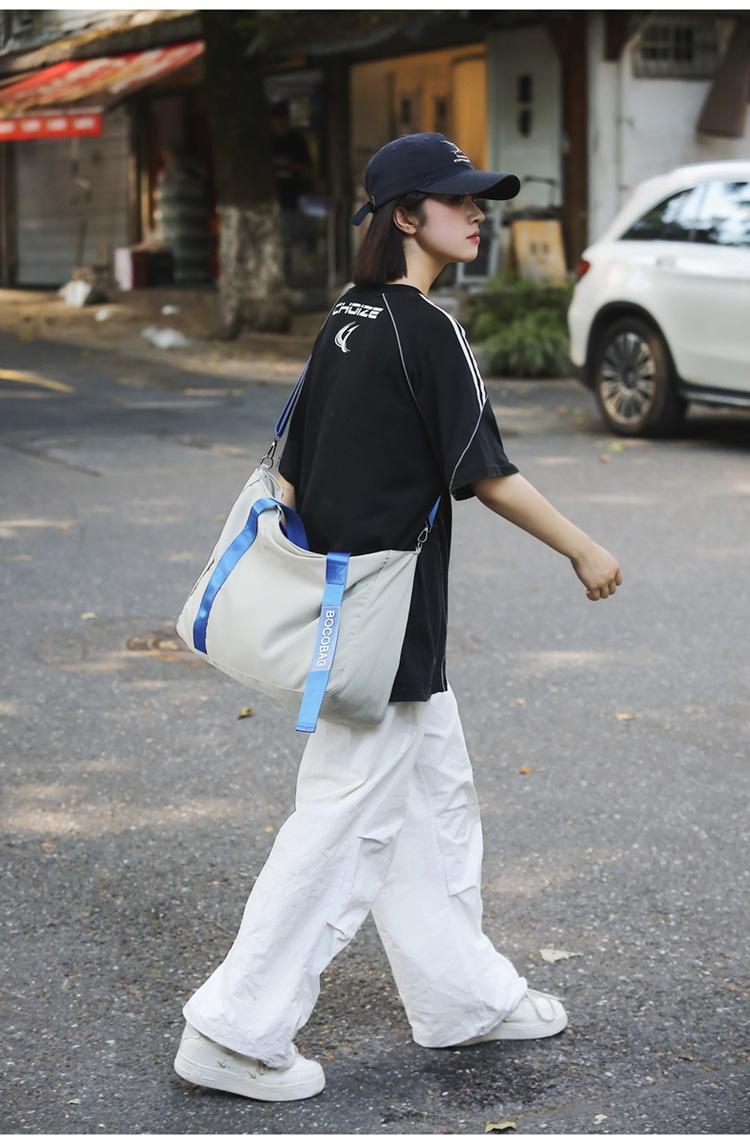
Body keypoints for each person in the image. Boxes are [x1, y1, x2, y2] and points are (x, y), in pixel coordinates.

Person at [173, 132, 623, 1103]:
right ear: (406, 217)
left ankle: (466, 999)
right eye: (458, 199)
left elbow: (294, 472)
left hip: (358, 613)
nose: (478, 213)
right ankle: (236, 1029)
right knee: (346, 826)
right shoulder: (425, 328)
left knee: (432, 808)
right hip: (382, 624)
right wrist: (584, 547)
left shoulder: (346, 317)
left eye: (479, 199)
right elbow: (486, 473)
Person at [269, 100, 313, 281]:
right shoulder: (267, 140)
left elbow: (306, 167)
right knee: (275, 239)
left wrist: (289, 164)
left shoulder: (296, 140)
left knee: (290, 238)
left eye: (283, 119)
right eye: (277, 119)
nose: (280, 123)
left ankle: (289, 274)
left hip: (292, 197)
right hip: (270, 199)